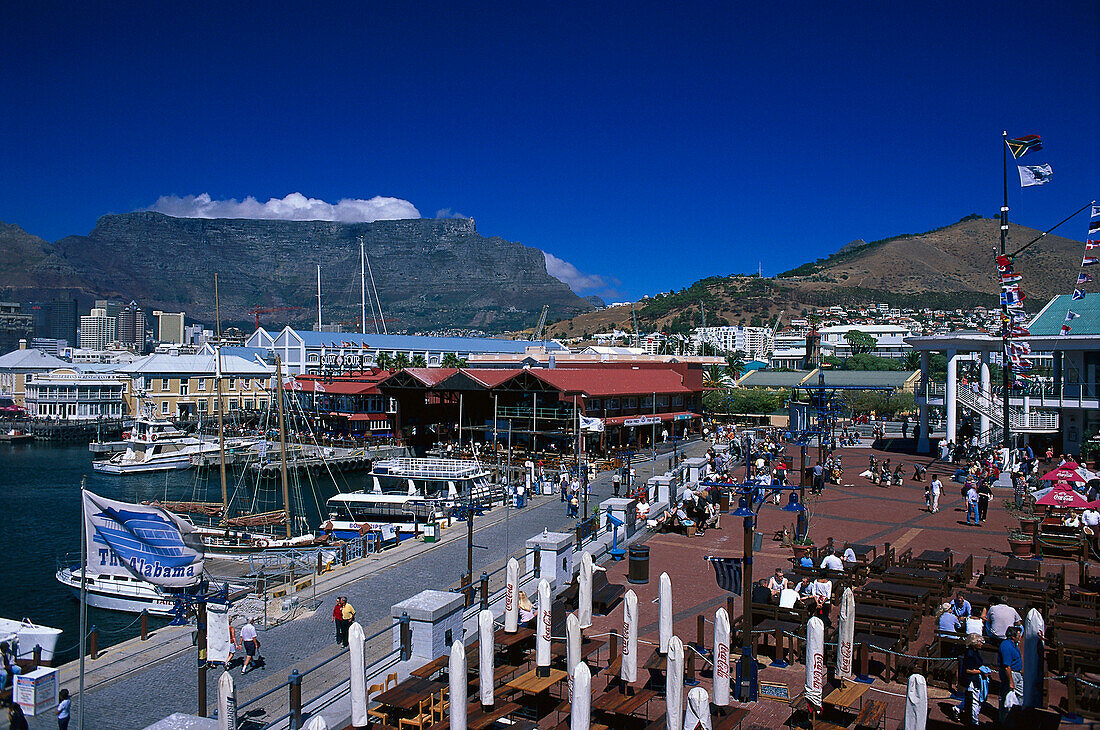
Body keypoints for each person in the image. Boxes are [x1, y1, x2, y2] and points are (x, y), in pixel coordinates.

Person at [952, 633, 985, 725]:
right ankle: (975, 721)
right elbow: (968, 670)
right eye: (981, 642)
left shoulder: (975, 651)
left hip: (975, 679)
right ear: (975, 643)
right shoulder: (970, 653)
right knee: (975, 701)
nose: (982, 643)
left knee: (973, 699)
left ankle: (957, 709)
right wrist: (981, 672)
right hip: (971, 680)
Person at [998, 626, 1024, 725]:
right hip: (1010, 674)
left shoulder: (1014, 644)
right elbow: (1007, 666)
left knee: (1021, 695)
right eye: (1018, 635)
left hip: (1017, 673)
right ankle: (1004, 720)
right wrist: (1011, 681)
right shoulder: (1006, 646)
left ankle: (1017, 716)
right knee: (1005, 697)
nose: (1020, 637)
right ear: (1013, 636)